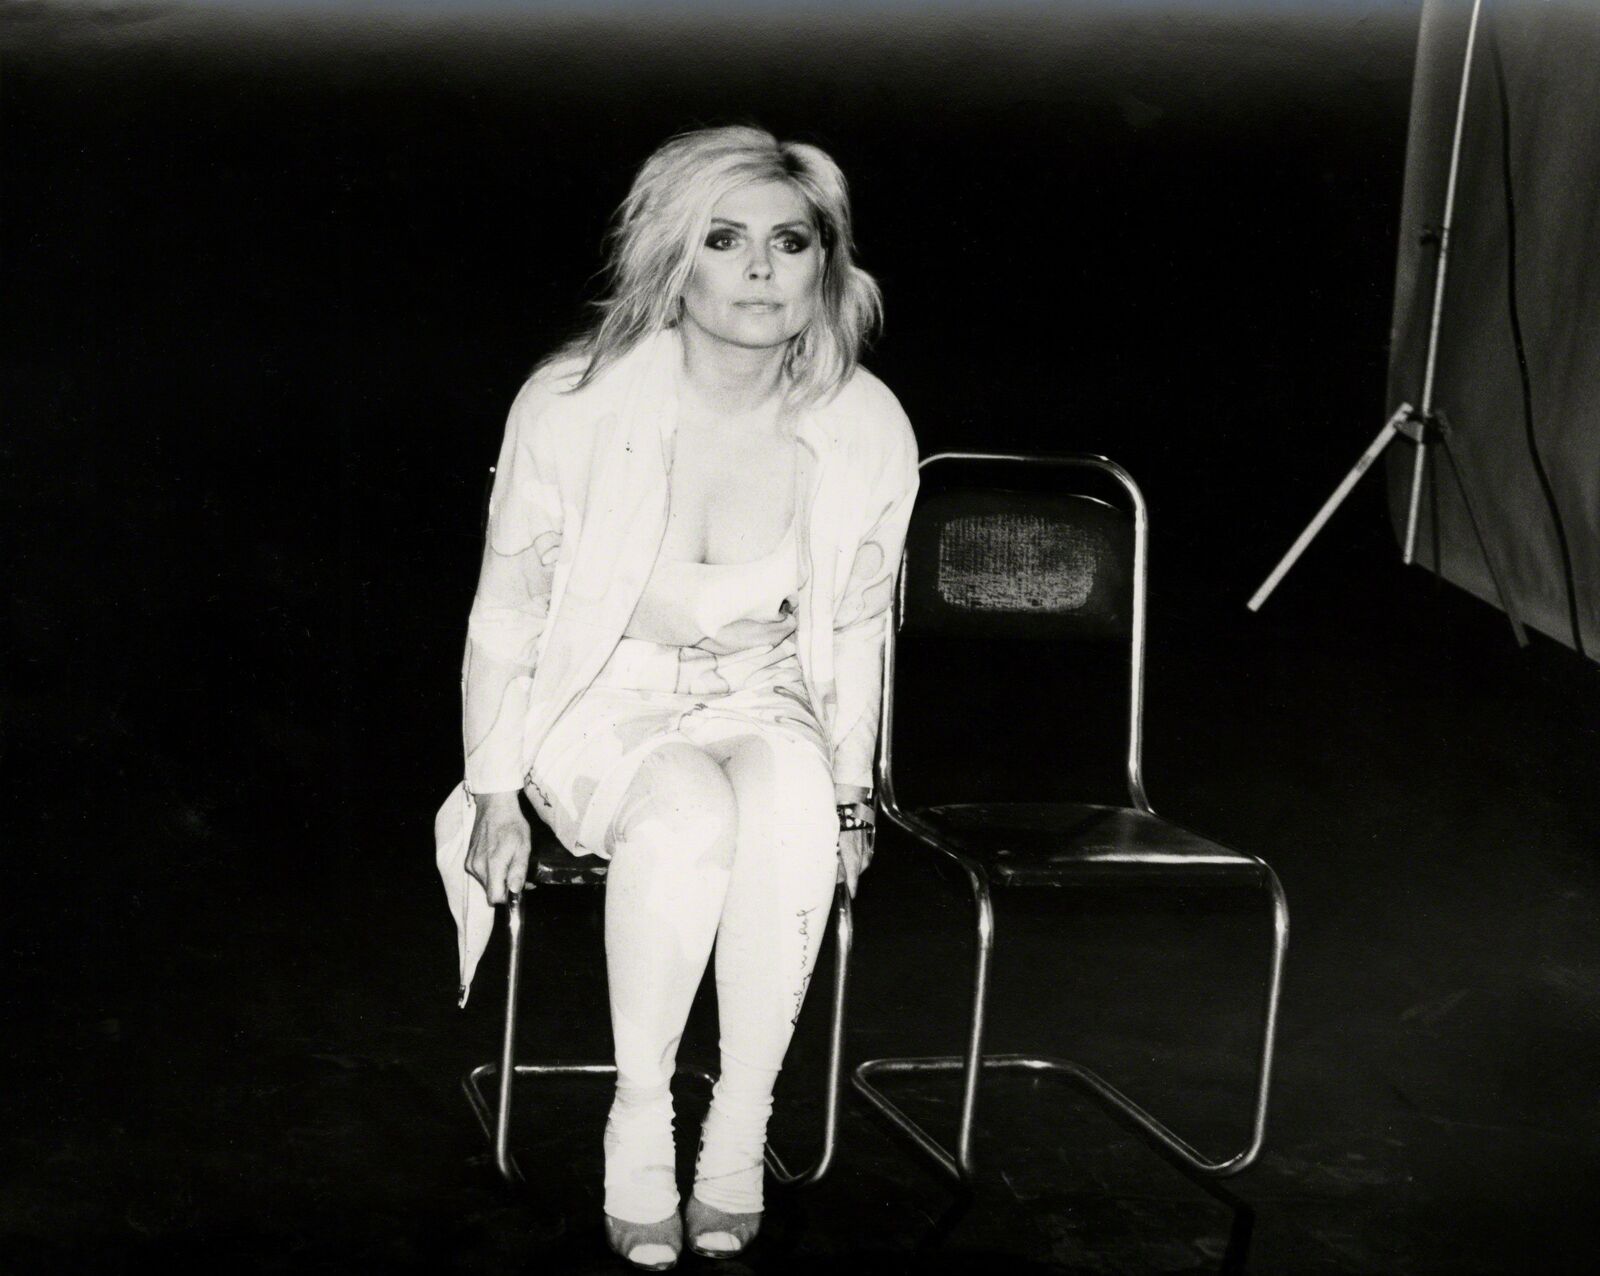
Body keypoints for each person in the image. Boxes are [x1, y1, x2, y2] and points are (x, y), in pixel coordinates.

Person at [434, 124, 919, 1270]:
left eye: (789, 241)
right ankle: (641, 1118)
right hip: (597, 699)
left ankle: (739, 1129)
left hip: (764, 697)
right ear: (674, 259)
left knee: (788, 810)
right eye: (724, 238)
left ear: (825, 264)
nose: (760, 269)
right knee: (688, 814)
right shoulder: (572, 401)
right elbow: (505, 611)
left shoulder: (865, 421)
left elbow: (854, 627)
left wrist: (851, 792)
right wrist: (495, 787)